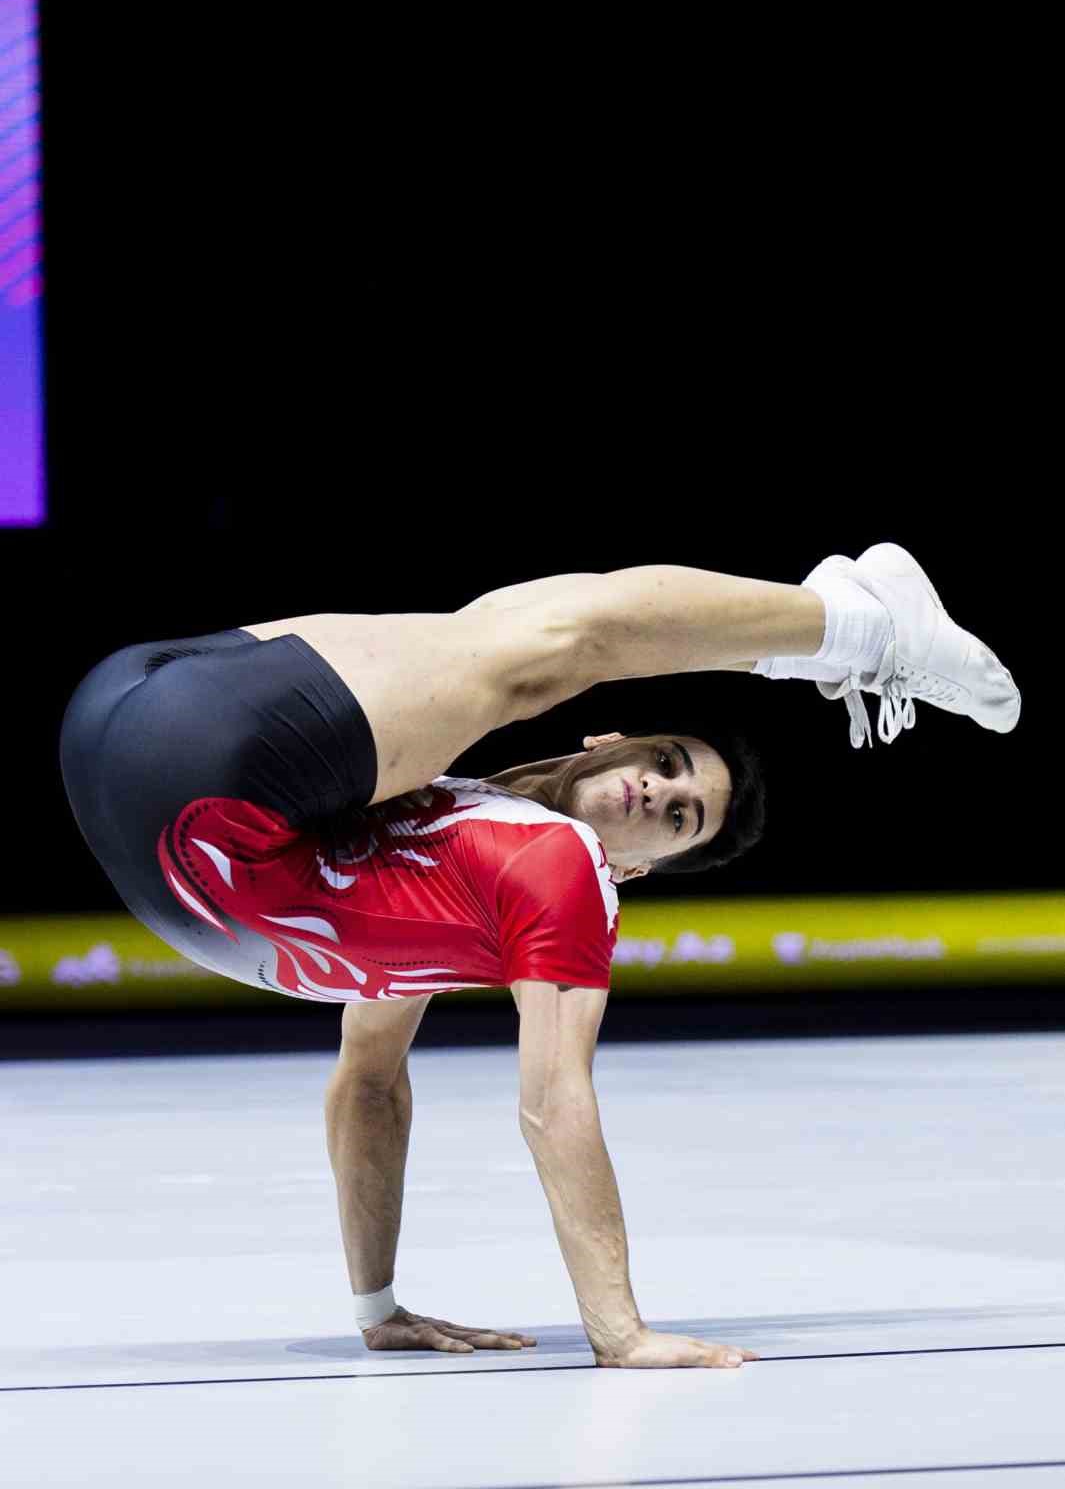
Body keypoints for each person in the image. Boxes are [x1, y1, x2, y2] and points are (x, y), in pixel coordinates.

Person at [58, 543, 1019, 1372]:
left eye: (679, 818)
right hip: (157, 736)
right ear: (610, 742)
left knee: (534, 649)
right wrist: (415, 1309)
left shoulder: (562, 872)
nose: (657, 792)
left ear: (634, 873)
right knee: (502, 636)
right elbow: (377, 1085)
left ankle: (852, 626)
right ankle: (854, 627)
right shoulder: (440, 795)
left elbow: (500, 1095)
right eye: (666, 762)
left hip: (172, 763)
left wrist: (578, 1326)